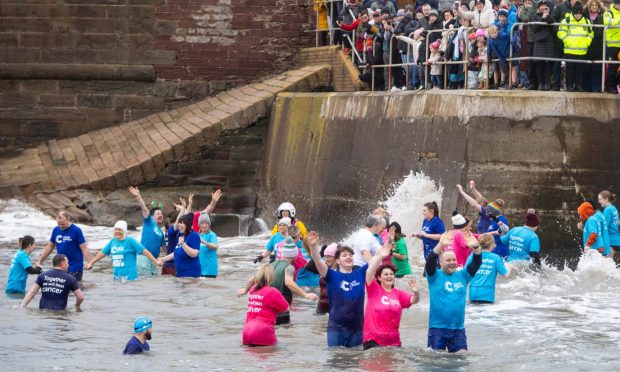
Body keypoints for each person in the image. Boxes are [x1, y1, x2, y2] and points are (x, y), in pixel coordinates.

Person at [307, 231, 376, 347]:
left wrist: (387, 245)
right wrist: (313, 247)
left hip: (357, 329)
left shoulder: (360, 273)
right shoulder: (332, 275)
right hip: (336, 329)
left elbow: (375, 261)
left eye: (350, 255)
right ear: (338, 261)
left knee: (354, 360)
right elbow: (318, 262)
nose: (349, 257)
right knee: (335, 359)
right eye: (344, 255)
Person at [425, 231, 483, 353]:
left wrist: (476, 247)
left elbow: (477, 263)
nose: (452, 262)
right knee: (436, 361)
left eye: (453, 259)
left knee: (461, 359)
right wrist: (440, 245)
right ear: (440, 263)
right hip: (437, 328)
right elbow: (430, 262)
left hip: (458, 329)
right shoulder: (434, 276)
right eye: (448, 260)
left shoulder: (463, 276)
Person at [238, 239, 318, 325]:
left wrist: (245, 290)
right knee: (285, 333)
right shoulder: (289, 267)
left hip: (268, 310)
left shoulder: (270, 266)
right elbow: (288, 282)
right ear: (295, 256)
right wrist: (306, 295)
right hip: (282, 309)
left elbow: (252, 279)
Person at [363, 240, 419, 350]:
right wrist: (380, 257)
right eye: (386, 274)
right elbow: (369, 273)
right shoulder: (374, 290)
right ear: (379, 278)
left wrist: (416, 292)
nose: (389, 276)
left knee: (393, 367)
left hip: (393, 342)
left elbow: (414, 300)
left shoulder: (398, 294)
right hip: (373, 340)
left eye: (391, 274)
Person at [85, 221, 159, 281]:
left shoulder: (130, 240)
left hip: (130, 279)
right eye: (116, 229)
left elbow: (144, 251)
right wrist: (91, 263)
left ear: (124, 231)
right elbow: (102, 253)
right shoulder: (112, 241)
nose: (117, 231)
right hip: (117, 279)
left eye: (119, 229)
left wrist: (155, 261)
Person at [35, 211, 92, 282]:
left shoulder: (76, 230)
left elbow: (84, 248)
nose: (61, 226)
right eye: (59, 224)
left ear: (68, 219)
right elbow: (50, 246)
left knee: (75, 288)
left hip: (75, 266)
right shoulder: (56, 230)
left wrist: (90, 262)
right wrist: (40, 261)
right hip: (60, 266)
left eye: (63, 224)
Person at [240, 265, 289, 346]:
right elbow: (286, 308)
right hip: (262, 331)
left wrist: (245, 290)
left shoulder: (253, 290)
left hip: (246, 331)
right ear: (271, 278)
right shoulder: (273, 292)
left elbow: (250, 280)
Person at [128, 186, 166, 277]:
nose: (160, 215)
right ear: (152, 216)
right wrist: (138, 196)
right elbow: (144, 208)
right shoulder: (149, 222)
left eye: (161, 214)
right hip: (143, 258)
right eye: (158, 214)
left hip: (154, 261)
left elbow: (165, 249)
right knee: (144, 284)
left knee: (152, 286)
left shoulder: (161, 233)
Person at [557, 2, 593, 92]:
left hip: (582, 50)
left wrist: (586, 43)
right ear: (573, 12)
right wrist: (569, 41)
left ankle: (579, 86)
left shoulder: (586, 21)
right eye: (576, 13)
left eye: (580, 13)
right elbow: (561, 33)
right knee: (570, 69)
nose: (578, 15)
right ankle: (569, 86)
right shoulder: (566, 21)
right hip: (570, 50)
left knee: (580, 70)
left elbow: (591, 33)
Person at [466, 234, 510, 304]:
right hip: (487, 295)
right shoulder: (495, 258)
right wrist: (509, 267)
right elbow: (506, 275)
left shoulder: (472, 256)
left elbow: (465, 273)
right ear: (492, 244)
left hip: (473, 294)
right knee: (487, 314)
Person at [157, 213, 201, 278]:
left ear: (188, 224)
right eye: (179, 223)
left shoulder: (194, 236)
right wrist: (164, 259)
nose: (179, 225)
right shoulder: (181, 235)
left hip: (191, 274)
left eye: (182, 223)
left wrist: (183, 244)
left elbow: (195, 254)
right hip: (180, 274)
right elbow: (176, 252)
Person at [303, 242, 338, 315]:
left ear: (336, 258)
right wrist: (320, 254)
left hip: (334, 305)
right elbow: (308, 266)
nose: (327, 259)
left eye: (330, 257)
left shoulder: (341, 270)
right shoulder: (323, 268)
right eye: (326, 256)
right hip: (321, 305)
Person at [532, 0, 555, 90]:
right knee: (539, 63)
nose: (543, 7)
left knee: (548, 64)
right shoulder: (535, 16)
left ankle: (547, 83)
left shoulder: (550, 15)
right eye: (541, 6)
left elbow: (553, 26)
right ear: (538, 7)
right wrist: (542, 18)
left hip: (549, 42)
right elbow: (535, 28)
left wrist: (547, 16)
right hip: (539, 42)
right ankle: (540, 83)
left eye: (545, 6)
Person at [584, 0, 605, 92]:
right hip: (587, 44)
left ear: (598, 6)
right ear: (589, 6)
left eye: (596, 5)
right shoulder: (585, 15)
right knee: (586, 67)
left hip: (598, 44)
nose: (594, 7)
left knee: (597, 67)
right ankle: (586, 87)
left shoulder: (602, 16)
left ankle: (596, 88)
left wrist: (592, 34)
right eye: (592, 5)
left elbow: (601, 31)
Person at [603, 0, 620, 93]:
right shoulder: (608, 12)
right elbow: (607, 22)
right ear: (616, 4)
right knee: (613, 67)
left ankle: (617, 86)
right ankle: (610, 87)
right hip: (612, 44)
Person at [598, 190, 620, 259]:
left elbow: (604, 226)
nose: (599, 201)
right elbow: (618, 222)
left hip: (610, 241)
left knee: (605, 266)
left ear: (606, 199)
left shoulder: (607, 210)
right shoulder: (614, 208)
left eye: (600, 199)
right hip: (616, 240)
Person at [197, 214, 219, 278]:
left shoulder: (212, 235)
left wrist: (204, 242)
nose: (204, 225)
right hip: (200, 268)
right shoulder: (199, 235)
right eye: (202, 223)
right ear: (199, 225)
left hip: (210, 269)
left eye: (206, 223)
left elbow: (215, 247)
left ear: (209, 224)